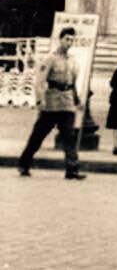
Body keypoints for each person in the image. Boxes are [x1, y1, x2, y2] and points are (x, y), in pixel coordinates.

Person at [18, 26, 86, 180]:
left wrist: (77, 100)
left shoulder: (73, 61)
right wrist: (40, 100)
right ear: (60, 39)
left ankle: (72, 170)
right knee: (38, 136)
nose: (69, 42)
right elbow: (40, 80)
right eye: (67, 39)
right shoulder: (50, 58)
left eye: (72, 40)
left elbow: (73, 83)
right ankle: (24, 163)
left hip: (67, 103)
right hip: (51, 104)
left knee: (70, 136)